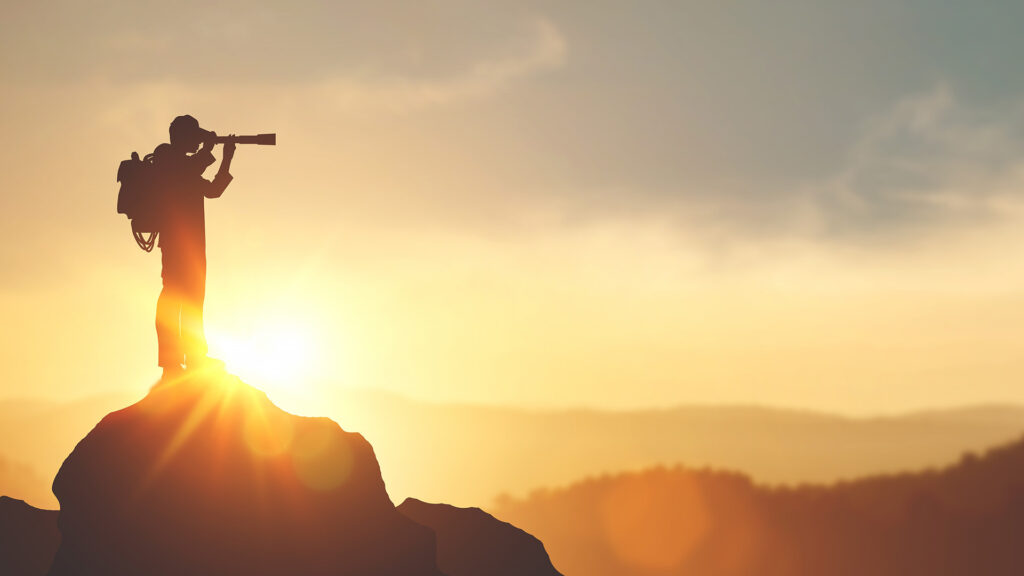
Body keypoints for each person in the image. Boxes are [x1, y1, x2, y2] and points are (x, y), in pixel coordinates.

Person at [154, 115, 235, 379]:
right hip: (176, 244)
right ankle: (170, 360)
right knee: (173, 300)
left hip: (194, 246)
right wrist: (207, 150)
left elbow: (213, 191)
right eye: (193, 135)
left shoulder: (187, 166)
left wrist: (226, 158)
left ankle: (195, 355)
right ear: (181, 136)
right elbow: (186, 171)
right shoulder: (165, 156)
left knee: (193, 300)